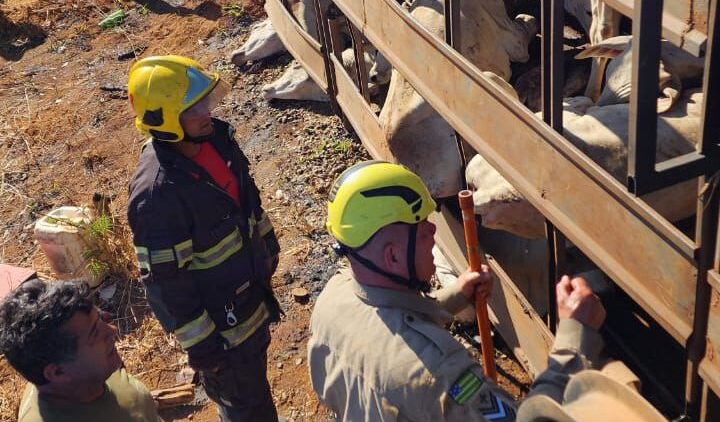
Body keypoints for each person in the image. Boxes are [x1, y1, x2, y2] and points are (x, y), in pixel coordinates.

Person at [308, 160, 610, 421]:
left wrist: (457, 296)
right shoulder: (438, 375)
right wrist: (575, 337)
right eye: (422, 225)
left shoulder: (333, 298)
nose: (433, 230)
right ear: (393, 257)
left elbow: (389, 320)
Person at [126, 55, 282, 422]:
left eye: (205, 102)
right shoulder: (157, 195)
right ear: (163, 119)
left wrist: (267, 243)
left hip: (249, 303)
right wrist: (205, 350)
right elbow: (165, 284)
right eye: (193, 107)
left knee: (255, 392)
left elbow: (248, 201)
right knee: (247, 408)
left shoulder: (217, 142)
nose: (206, 112)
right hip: (223, 337)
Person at [0, 279, 162, 422]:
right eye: (95, 333)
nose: (112, 330)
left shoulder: (98, 368)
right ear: (57, 372)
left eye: (101, 319)